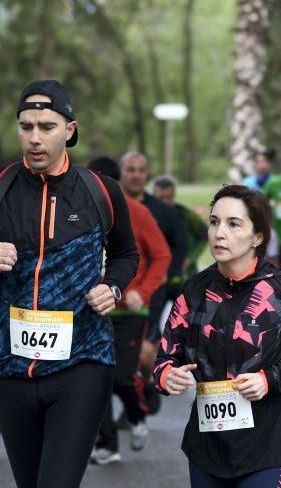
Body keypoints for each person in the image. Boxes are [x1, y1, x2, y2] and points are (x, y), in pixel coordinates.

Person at [0, 80, 138, 488]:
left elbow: (128, 253)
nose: (35, 137)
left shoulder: (100, 191)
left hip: (82, 362)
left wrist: (112, 286)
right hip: (12, 369)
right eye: (26, 126)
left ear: (69, 130)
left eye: (46, 127)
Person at [153, 185, 281, 488]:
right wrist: (166, 376)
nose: (220, 233)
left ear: (257, 236)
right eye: (214, 222)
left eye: (234, 224)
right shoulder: (194, 291)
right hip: (207, 445)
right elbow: (164, 359)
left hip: (266, 444)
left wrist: (268, 379)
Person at [86, 156, 171, 465]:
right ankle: (107, 444)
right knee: (96, 378)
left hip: (130, 311)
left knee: (121, 377)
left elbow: (162, 256)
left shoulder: (137, 213)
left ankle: (137, 416)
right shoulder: (78, 213)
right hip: (93, 310)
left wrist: (142, 292)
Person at [119, 151, 187, 413]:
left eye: (141, 170)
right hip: (114, 295)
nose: (136, 175)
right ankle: (130, 395)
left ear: (147, 174)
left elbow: (179, 242)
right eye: (131, 169)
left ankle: (140, 386)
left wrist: (169, 271)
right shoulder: (111, 206)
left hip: (150, 293)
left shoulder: (160, 211)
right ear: (122, 173)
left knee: (146, 352)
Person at [152, 174, 208, 290]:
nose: (166, 202)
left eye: (169, 197)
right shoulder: (148, 217)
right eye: (161, 198)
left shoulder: (187, 215)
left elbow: (205, 235)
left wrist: (189, 258)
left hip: (185, 276)